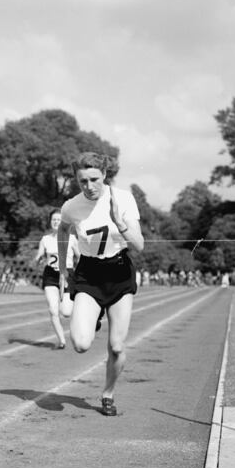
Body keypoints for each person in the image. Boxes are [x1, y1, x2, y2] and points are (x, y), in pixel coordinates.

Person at [57, 152, 145, 417]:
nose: (89, 186)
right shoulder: (71, 207)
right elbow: (62, 230)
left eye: (94, 179)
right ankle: (92, 317)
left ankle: (108, 393)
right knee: (81, 344)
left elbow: (139, 246)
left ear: (105, 175)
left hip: (119, 272)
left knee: (117, 346)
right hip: (89, 274)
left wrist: (120, 223)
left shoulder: (124, 199)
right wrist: (63, 267)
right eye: (82, 181)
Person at [35, 209, 77, 349]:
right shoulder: (45, 239)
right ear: (50, 221)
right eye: (53, 219)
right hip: (50, 276)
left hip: (67, 275)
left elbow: (80, 256)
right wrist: (37, 259)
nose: (56, 222)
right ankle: (62, 341)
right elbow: (40, 254)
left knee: (66, 312)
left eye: (59, 220)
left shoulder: (71, 239)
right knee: (53, 310)